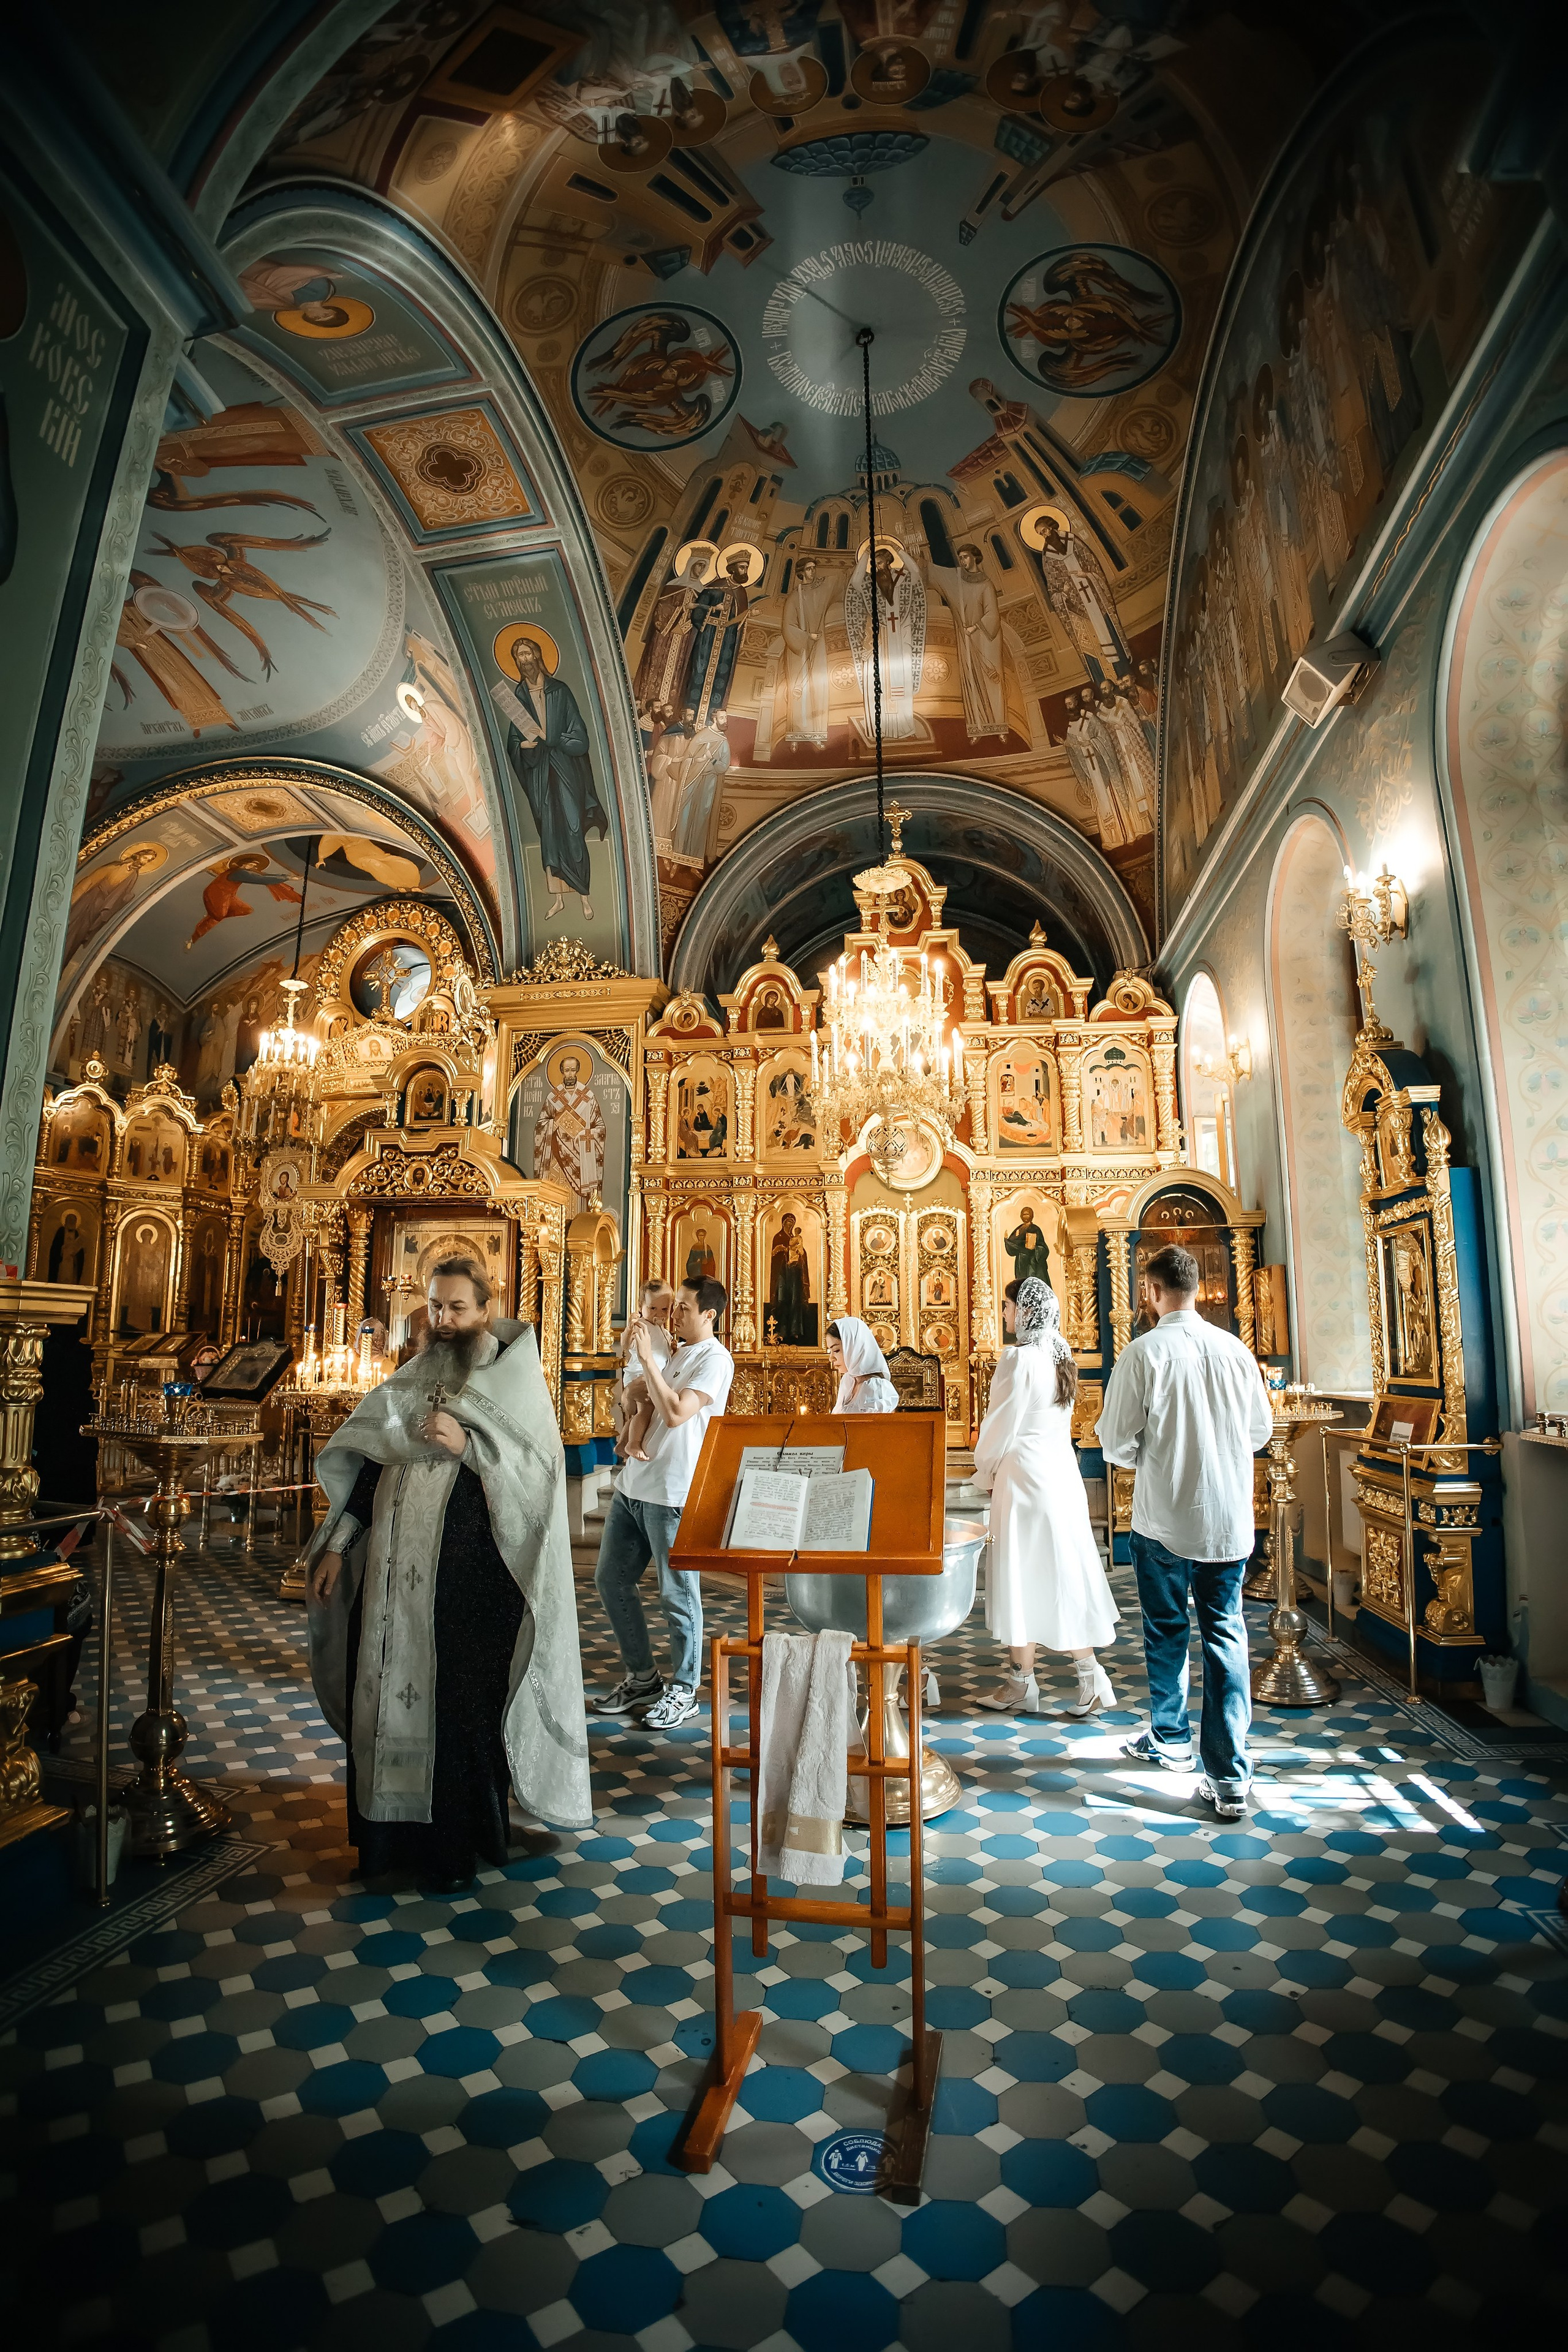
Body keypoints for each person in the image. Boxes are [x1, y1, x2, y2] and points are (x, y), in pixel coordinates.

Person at [305, 1258, 591, 1890]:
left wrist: (469, 1448)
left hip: (471, 1584)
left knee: (459, 1712)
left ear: (485, 1309)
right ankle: (385, 1845)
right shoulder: (413, 1375)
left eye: (456, 1308)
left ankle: (454, 1850)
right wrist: (337, 1545)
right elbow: (373, 1467)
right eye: (435, 1306)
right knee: (379, 1694)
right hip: (389, 1583)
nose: (442, 1319)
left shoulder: (513, 1380)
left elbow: (535, 1480)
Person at [1096, 1242, 1273, 1819]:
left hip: (1165, 1518)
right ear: (1197, 1287)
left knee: (1167, 1630)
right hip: (1226, 1518)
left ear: (1150, 1291)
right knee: (1225, 1634)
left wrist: (1159, 1449)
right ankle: (1229, 1777)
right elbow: (1258, 1433)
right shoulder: (1235, 1350)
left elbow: (1115, 1443)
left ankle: (1170, 1740)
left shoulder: (1143, 1354)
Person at [592, 1275, 734, 1730]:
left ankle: (685, 1688)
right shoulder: (675, 1353)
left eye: (685, 1308)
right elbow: (639, 1397)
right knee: (610, 1581)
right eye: (674, 1308)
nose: (675, 1315)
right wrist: (638, 1378)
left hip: (672, 1492)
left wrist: (647, 1367)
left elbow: (675, 1414)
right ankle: (643, 1678)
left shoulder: (714, 1359)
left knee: (678, 1595)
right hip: (634, 1488)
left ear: (709, 1314)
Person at [973, 1279, 1118, 1716]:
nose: (1003, 1314)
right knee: (1061, 1575)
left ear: (1024, 1311)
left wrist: (984, 1469)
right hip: (1059, 1477)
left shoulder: (1019, 1359)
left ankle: (1022, 1682)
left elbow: (999, 1427)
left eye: (1006, 1305)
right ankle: (1090, 1678)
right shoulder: (1061, 1356)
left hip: (1023, 1482)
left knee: (1021, 1577)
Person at [616, 1278, 674, 1462]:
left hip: (649, 1375)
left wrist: (672, 1346)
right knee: (645, 1411)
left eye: (664, 1309)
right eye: (652, 1308)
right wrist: (628, 1330)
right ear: (641, 1307)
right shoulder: (642, 1325)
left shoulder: (662, 1330)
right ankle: (633, 1443)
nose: (659, 1314)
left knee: (642, 1412)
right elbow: (626, 1344)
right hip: (640, 1375)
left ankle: (623, 1442)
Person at [827, 1316, 898, 1414]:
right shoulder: (847, 1381)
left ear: (855, 1348)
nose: (831, 1358)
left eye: (836, 1350)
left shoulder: (875, 1386)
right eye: (830, 1351)